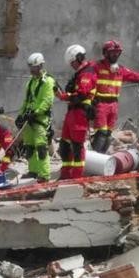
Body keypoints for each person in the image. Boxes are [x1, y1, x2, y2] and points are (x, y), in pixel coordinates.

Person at [91, 40, 139, 154]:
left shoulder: (120, 70)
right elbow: (87, 83)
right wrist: (89, 101)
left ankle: (100, 159)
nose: (115, 55)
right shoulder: (96, 67)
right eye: (112, 52)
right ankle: (94, 158)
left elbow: (137, 77)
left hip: (113, 105)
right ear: (105, 53)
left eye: (117, 53)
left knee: (108, 135)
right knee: (101, 134)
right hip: (101, 104)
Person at [56, 45, 97, 180]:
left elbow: (81, 94)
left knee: (77, 147)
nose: (72, 66)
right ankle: (65, 175)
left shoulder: (87, 73)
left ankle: (76, 178)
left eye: (72, 62)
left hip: (80, 114)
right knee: (64, 146)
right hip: (72, 113)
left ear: (79, 58)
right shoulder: (79, 73)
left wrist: (64, 96)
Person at [16, 53, 57, 182]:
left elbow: (47, 101)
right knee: (29, 146)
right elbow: (26, 101)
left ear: (40, 66)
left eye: (34, 67)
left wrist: (36, 113)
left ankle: (44, 175)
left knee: (41, 147)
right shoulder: (30, 82)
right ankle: (33, 171)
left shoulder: (48, 81)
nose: (32, 70)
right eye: (30, 67)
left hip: (40, 119)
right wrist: (20, 115)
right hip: (29, 119)